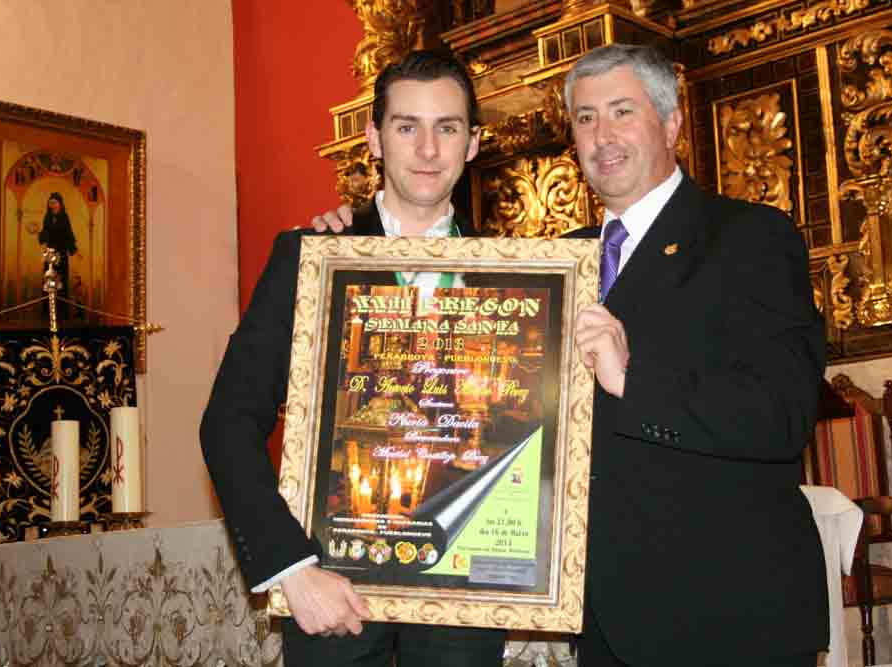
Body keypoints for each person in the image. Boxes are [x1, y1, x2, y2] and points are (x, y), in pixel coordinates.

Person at [315, 44, 829, 667]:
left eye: (622, 111)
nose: (602, 135)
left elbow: (783, 416)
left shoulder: (750, 237)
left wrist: (633, 379)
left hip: (729, 614)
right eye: (585, 118)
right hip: (608, 619)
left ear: (671, 124)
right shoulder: (554, 263)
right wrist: (349, 244)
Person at [200, 50, 506, 667]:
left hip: (466, 584)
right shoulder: (312, 258)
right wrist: (291, 569)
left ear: (473, 143)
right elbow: (228, 421)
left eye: (447, 128)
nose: (428, 149)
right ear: (373, 138)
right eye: (406, 126)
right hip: (331, 580)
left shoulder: (518, 275)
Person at [39, 192, 78, 318]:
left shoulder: (64, 217)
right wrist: (42, 238)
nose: (53, 205)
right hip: (50, 254)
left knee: (61, 281)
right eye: (51, 203)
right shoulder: (47, 217)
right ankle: (48, 312)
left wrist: (73, 249)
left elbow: (69, 234)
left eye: (55, 203)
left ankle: (62, 312)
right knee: (49, 280)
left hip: (61, 254)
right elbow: (44, 232)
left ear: (60, 204)